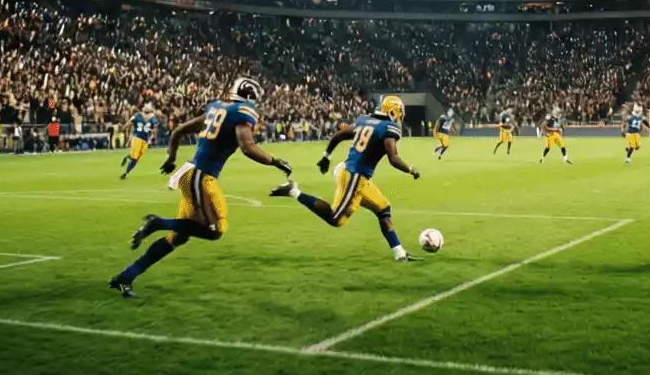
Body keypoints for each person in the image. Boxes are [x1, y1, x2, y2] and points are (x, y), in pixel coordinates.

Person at [109, 78, 291, 298]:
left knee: (179, 237)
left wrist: (171, 160)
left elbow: (177, 131)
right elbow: (248, 146)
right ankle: (158, 222)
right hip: (201, 177)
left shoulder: (216, 108)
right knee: (216, 230)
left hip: (188, 173)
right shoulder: (242, 112)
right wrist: (275, 161)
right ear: (250, 96)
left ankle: (125, 277)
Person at [270, 94, 421, 261]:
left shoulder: (364, 120)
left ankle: (400, 254)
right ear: (393, 112)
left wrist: (326, 156)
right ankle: (294, 191)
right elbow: (393, 158)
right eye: (399, 112)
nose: (400, 117)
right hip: (354, 177)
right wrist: (411, 169)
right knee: (336, 219)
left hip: (355, 175)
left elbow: (339, 135)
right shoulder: (388, 128)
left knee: (383, 208)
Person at [119, 103, 158, 180]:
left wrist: (154, 132)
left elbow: (155, 127)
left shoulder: (152, 118)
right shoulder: (137, 116)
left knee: (136, 159)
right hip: (137, 138)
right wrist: (123, 127)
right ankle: (125, 173)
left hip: (145, 141)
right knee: (134, 159)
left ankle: (128, 156)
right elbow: (129, 123)